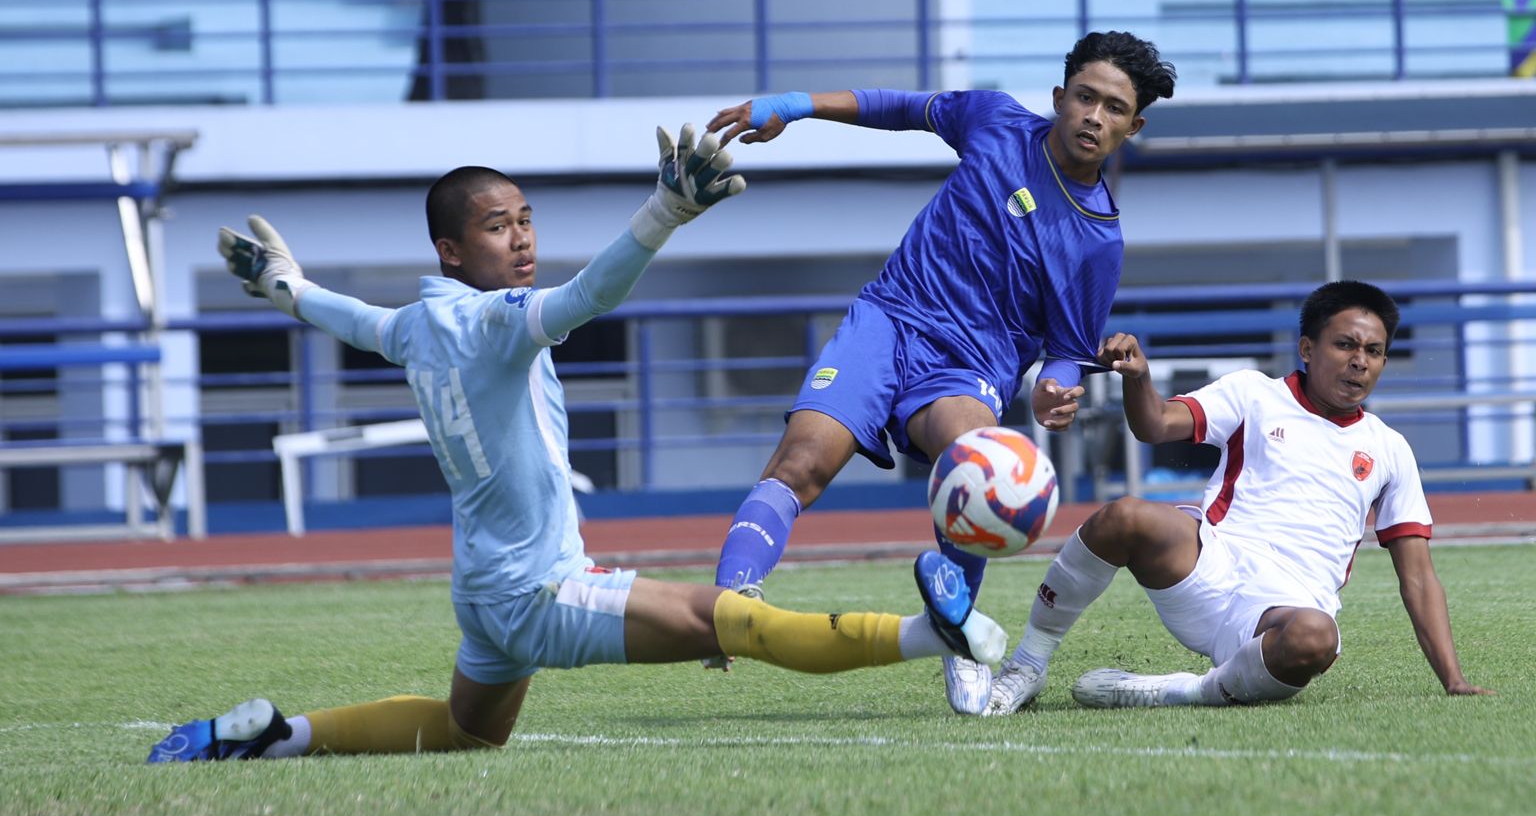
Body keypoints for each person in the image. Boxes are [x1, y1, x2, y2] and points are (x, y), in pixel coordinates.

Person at [148, 127, 1005, 763]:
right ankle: (935, 634)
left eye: (525, 219)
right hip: (538, 590)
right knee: (725, 622)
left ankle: (272, 738)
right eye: (496, 227)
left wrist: (285, 286)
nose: (520, 238)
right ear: (451, 251)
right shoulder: (495, 319)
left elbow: (348, 317)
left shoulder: (414, 326)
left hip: (484, 594)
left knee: (465, 732)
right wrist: (666, 210)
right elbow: (590, 294)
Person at [700, 31, 1178, 715]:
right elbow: (896, 107)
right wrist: (795, 104)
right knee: (803, 462)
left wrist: (1054, 388)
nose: (1094, 117)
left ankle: (957, 643)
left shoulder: (1098, 241)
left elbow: (1069, 346)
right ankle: (727, 604)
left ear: (1135, 125)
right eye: (1085, 97)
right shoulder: (995, 121)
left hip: (971, 365)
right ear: (1059, 98)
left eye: (1113, 108)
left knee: (978, 462)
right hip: (888, 321)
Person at [983, 280, 1492, 714]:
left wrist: (1453, 678)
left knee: (1317, 638)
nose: (1359, 362)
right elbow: (1156, 425)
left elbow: (1418, 575)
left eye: (1373, 351)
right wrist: (1139, 379)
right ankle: (1028, 663)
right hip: (1209, 567)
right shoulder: (1255, 393)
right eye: (1345, 345)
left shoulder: (1389, 448)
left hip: (1285, 610)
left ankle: (1183, 691)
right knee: (1123, 516)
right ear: (1308, 348)